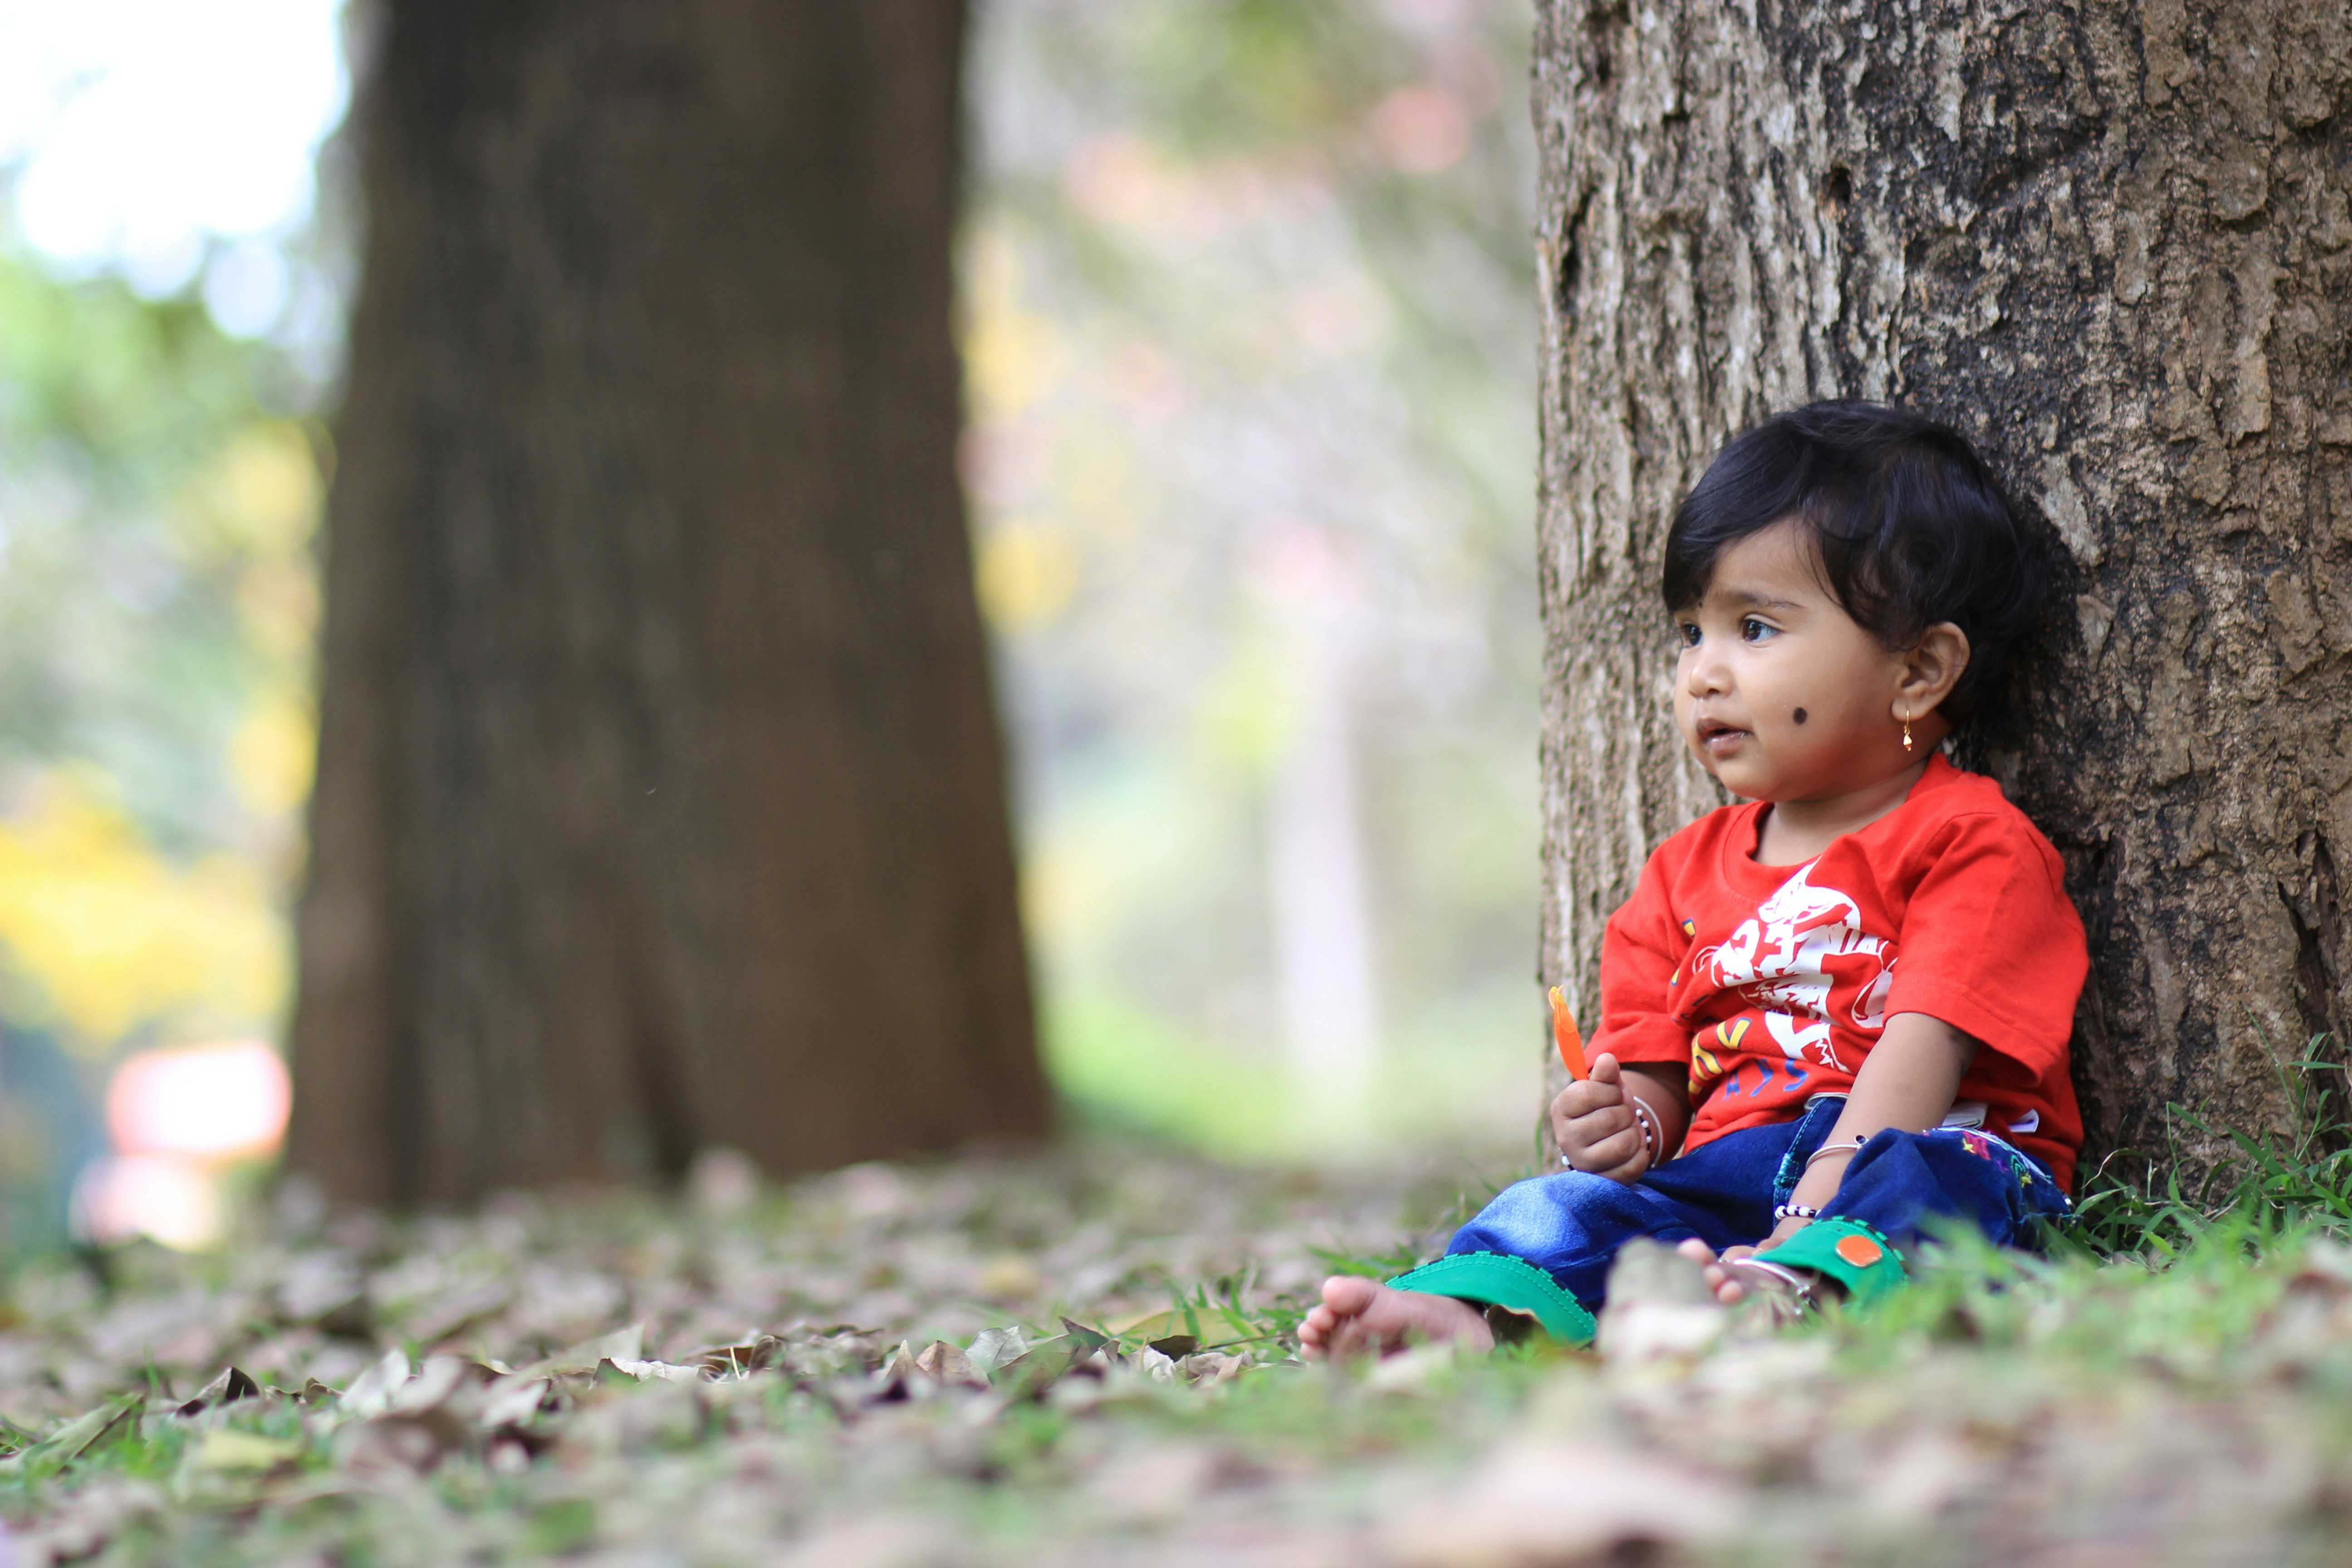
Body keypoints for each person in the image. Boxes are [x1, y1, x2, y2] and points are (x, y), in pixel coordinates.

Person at [1302, 402, 2084, 1357]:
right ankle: (1467, 1313)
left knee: (1936, 1184)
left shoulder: (1973, 844)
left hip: (1905, 1152)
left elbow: (1921, 1055)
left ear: (1918, 672)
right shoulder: (1679, 876)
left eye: (1753, 628)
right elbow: (1660, 1089)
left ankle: (1801, 1287)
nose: (1702, 675)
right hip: (1728, 1175)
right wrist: (1623, 1126)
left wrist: (1812, 1210)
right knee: (1563, 1204)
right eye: (1690, 634)